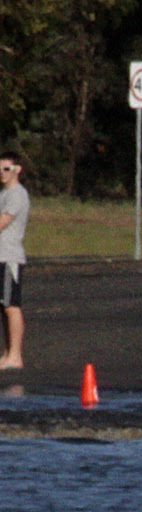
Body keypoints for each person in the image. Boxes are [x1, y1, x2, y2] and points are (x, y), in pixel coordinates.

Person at [0, 151, 27, 373]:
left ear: (17, 170)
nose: (2, 172)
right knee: (3, 306)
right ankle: (7, 353)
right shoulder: (4, 194)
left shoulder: (17, 195)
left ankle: (15, 355)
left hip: (9, 257)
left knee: (11, 306)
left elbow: (3, 222)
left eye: (6, 168)